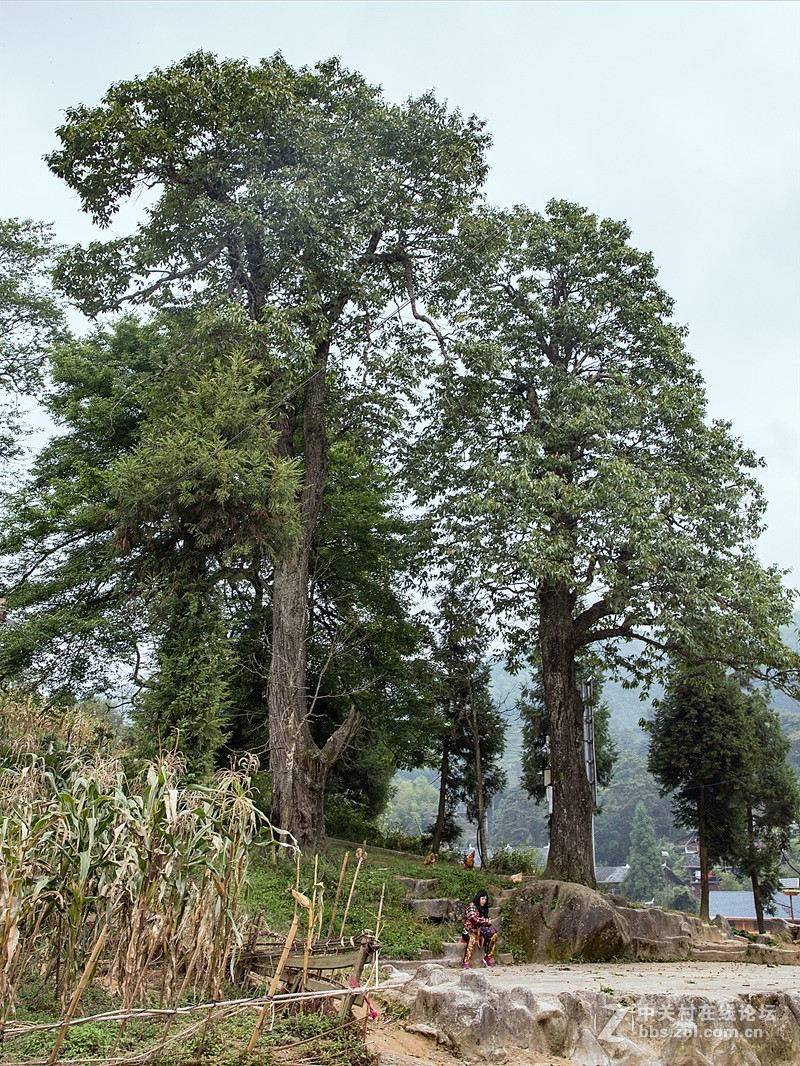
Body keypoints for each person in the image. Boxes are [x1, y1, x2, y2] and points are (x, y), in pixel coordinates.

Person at [461, 890, 498, 968]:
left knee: (494, 936)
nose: (484, 901)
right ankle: (466, 961)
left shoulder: (484, 908)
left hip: (481, 932)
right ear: (478, 898)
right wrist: (485, 921)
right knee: (472, 939)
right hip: (469, 931)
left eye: (485, 899)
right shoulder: (472, 906)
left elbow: (485, 922)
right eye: (483, 899)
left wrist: (487, 922)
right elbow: (473, 918)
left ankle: (488, 957)